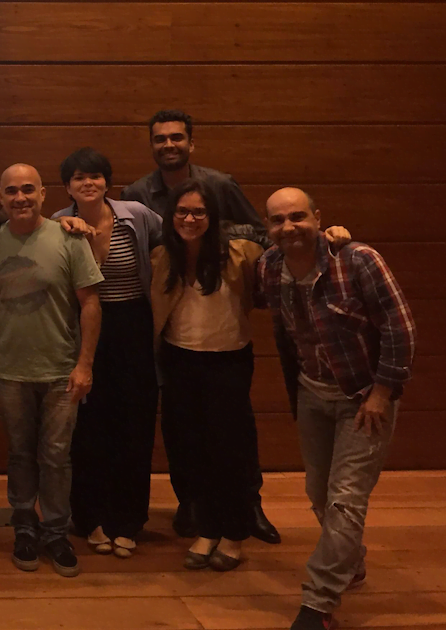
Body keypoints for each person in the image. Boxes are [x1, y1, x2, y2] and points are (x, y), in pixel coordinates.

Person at [257, 188, 416, 630]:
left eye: (298, 217)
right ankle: (351, 559)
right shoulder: (270, 267)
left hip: (364, 398)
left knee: (345, 500)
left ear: (318, 217)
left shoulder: (359, 260)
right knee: (318, 492)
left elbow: (401, 329)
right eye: (277, 220)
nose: (288, 227)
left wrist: (382, 392)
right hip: (311, 393)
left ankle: (319, 604)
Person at [121, 109, 278, 544]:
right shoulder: (137, 193)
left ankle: (249, 507)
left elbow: (262, 237)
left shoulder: (220, 185)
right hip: (173, 328)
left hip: (224, 327)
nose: (168, 145)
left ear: (192, 143)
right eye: (159, 139)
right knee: (180, 428)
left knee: (234, 431)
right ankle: (191, 504)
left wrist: (208, 233)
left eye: (176, 138)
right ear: (151, 145)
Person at [0, 164, 103, 578]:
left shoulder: (68, 237)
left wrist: (84, 365)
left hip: (60, 371)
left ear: (43, 195)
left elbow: (91, 304)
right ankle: (24, 524)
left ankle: (55, 531)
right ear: (1, 198)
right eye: (10, 191)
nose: (19, 197)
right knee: (20, 454)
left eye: (27, 190)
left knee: (55, 456)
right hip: (10, 370)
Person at [150, 178, 265, 572]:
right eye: (182, 211)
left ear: (213, 218)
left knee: (227, 452)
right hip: (180, 361)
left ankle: (233, 534)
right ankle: (207, 528)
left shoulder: (242, 253)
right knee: (188, 449)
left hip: (228, 362)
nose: (190, 218)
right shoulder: (163, 257)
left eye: (199, 212)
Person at [52, 148, 160, 559]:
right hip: (82, 328)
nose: (88, 183)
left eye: (95, 176)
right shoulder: (59, 224)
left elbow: (177, 244)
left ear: (107, 181)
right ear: (67, 187)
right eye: (78, 178)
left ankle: (128, 520)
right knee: (88, 428)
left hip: (133, 326)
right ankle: (91, 517)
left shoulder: (137, 215)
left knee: (133, 423)